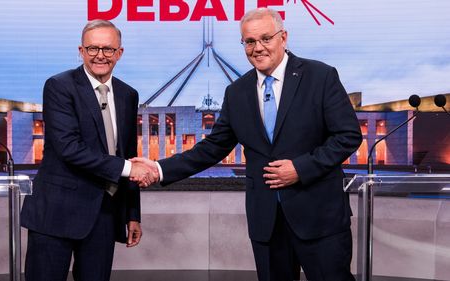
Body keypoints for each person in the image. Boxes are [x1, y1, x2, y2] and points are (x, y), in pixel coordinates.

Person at [132, 8, 362, 281]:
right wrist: (159, 168)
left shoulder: (320, 76)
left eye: (266, 38)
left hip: (320, 218)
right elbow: (213, 147)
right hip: (267, 222)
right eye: (249, 41)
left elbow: (347, 136)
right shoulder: (237, 92)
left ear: (283, 37)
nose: (258, 47)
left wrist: (301, 168)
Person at [21, 20, 155, 281]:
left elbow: (128, 152)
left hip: (103, 215)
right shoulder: (59, 86)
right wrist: (130, 169)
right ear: (81, 51)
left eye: (108, 49)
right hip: (55, 214)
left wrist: (132, 214)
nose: (100, 56)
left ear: (120, 53)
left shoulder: (128, 94)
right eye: (93, 48)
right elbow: (69, 148)